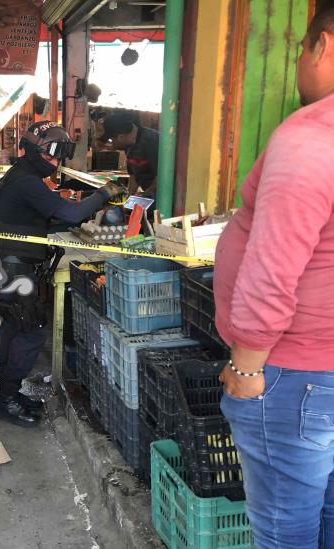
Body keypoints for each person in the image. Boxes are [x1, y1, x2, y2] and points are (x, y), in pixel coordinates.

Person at [214, 6, 334, 547]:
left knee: (285, 529)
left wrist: (246, 366)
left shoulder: (312, 141)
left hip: (293, 374)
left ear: (324, 47)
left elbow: (271, 268)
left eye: (301, 50)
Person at [0, 120, 123, 427]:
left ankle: (8, 392)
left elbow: (42, 216)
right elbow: (72, 213)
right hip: (14, 268)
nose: (54, 162)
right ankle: (4, 399)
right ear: (34, 151)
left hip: (5, 264)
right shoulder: (27, 182)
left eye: (59, 157)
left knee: (13, 326)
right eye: (49, 156)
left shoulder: (20, 176)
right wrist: (105, 193)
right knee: (30, 332)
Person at [100, 111, 158, 198]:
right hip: (149, 193)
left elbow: (161, 176)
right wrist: (128, 197)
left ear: (121, 137)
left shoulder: (151, 141)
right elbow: (133, 175)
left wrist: (147, 194)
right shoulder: (129, 145)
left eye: (112, 141)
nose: (112, 145)